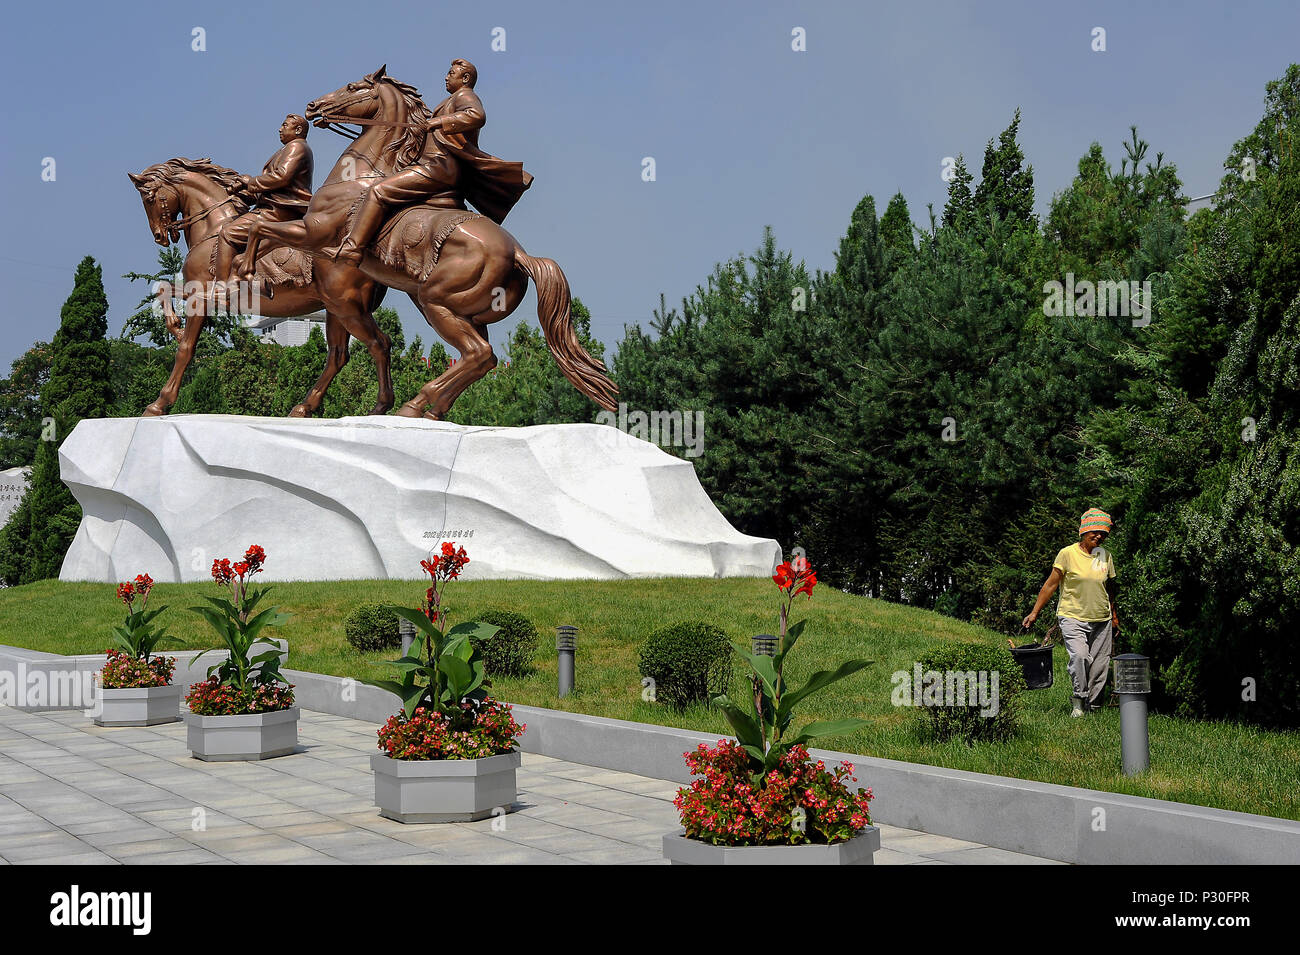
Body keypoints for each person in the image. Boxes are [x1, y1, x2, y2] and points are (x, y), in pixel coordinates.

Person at [333, 58, 532, 265]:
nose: (446, 77)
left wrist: (436, 122)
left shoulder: (465, 96)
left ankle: (353, 248)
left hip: (439, 168)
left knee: (378, 191)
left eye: (451, 74)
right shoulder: (451, 100)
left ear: (464, 78)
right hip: (437, 166)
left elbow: (476, 115)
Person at [1021, 508, 1120, 718]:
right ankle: (1079, 701)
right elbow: (1050, 585)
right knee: (1080, 657)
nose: (1099, 536)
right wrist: (1034, 612)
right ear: (1083, 532)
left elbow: (1110, 588)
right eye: (1095, 532)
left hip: (1102, 619)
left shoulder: (1105, 556)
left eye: (1103, 533)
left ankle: (1093, 707)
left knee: (1100, 666)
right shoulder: (1068, 554)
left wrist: (1114, 615)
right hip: (1072, 616)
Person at [213, 114, 314, 284]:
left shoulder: (297, 146)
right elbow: (276, 184)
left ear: (298, 130)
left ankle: (221, 287)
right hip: (275, 206)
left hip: (280, 210)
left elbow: (281, 177)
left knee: (227, 233)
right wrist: (246, 189)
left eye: (284, 125)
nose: (280, 129)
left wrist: (251, 182)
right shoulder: (288, 149)